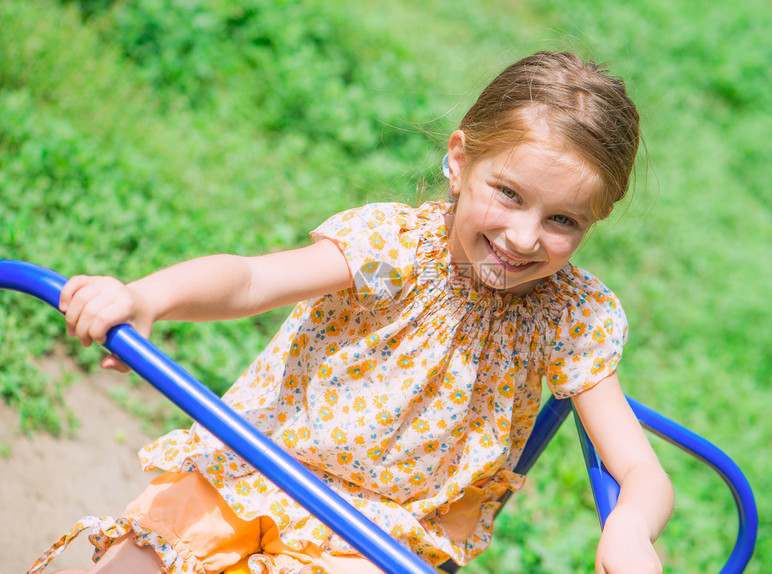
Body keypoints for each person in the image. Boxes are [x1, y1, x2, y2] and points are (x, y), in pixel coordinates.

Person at [32, 50, 673, 574]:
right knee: (133, 561)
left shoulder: (570, 315)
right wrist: (148, 297)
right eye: (508, 194)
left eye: (563, 220)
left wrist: (630, 528)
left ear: (596, 220)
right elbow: (253, 279)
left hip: (378, 533)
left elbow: (638, 468)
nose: (525, 238)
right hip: (259, 459)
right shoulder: (394, 246)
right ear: (458, 161)